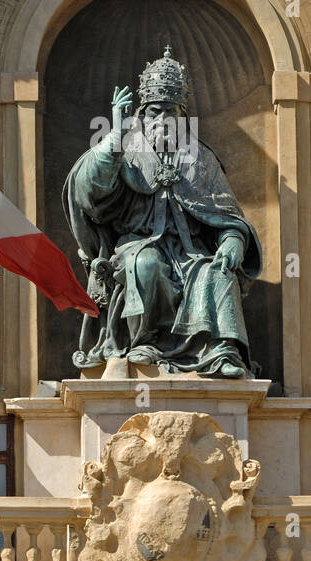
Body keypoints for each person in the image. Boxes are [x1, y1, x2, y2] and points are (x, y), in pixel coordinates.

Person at [63, 46, 261, 377]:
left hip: (192, 254)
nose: (162, 119)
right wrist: (115, 134)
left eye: (171, 112)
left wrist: (232, 240)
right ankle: (144, 342)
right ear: (141, 113)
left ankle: (221, 354)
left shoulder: (200, 158)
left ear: (182, 116)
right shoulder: (125, 150)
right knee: (146, 265)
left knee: (217, 273)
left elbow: (227, 213)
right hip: (136, 245)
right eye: (155, 111)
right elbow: (88, 191)